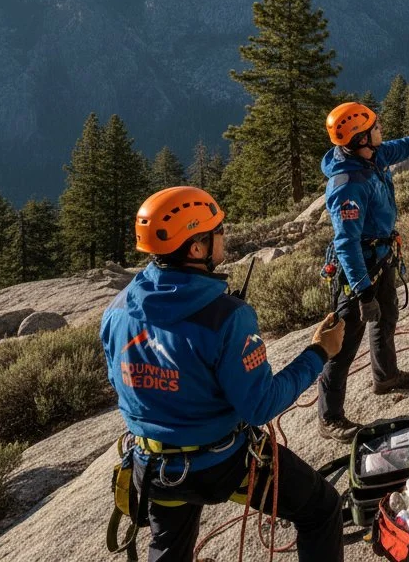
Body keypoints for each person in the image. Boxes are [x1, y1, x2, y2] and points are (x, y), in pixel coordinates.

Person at [101, 186, 346, 562]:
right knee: (321, 508)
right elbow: (261, 405)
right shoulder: (226, 317)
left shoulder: (117, 310)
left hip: (152, 466)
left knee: (168, 550)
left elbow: (122, 381)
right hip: (219, 464)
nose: (224, 236)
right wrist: (319, 351)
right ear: (196, 248)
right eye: (218, 230)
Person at [317, 102, 409, 441]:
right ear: (360, 139)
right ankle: (329, 417)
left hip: (381, 255)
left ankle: (385, 376)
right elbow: (346, 243)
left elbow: (405, 146)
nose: (381, 130)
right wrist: (362, 290)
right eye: (375, 127)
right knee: (343, 343)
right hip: (359, 268)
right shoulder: (347, 184)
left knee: (387, 317)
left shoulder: (371, 157)